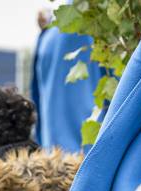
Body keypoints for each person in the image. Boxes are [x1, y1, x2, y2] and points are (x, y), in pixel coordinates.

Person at [30, 8, 102, 153]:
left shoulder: (47, 37)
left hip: (52, 156)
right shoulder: (104, 34)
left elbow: (36, 102)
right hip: (94, 157)